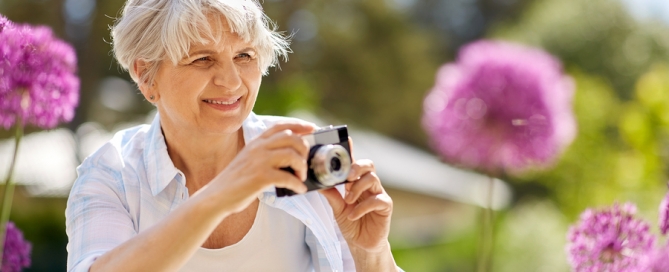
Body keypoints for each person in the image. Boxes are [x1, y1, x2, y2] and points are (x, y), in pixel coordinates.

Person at [65, 0, 401, 271]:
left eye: (244, 56)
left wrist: (369, 254)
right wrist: (222, 194)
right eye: (202, 59)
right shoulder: (112, 173)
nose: (231, 81)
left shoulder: (303, 151)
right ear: (145, 75)